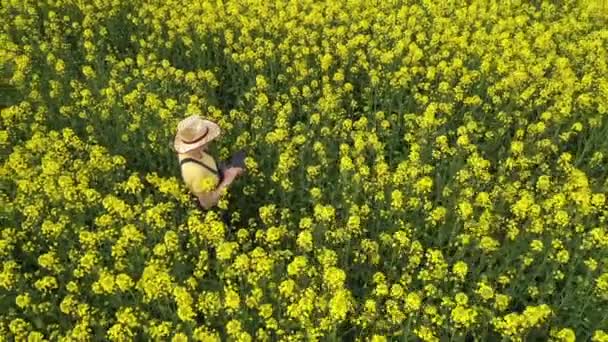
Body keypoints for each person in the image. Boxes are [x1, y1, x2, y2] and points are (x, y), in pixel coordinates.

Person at [174, 115, 245, 210]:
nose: (210, 140)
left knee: (245, 152)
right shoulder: (195, 171)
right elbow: (207, 203)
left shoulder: (192, 150)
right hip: (219, 195)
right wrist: (229, 178)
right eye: (206, 139)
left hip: (218, 173)